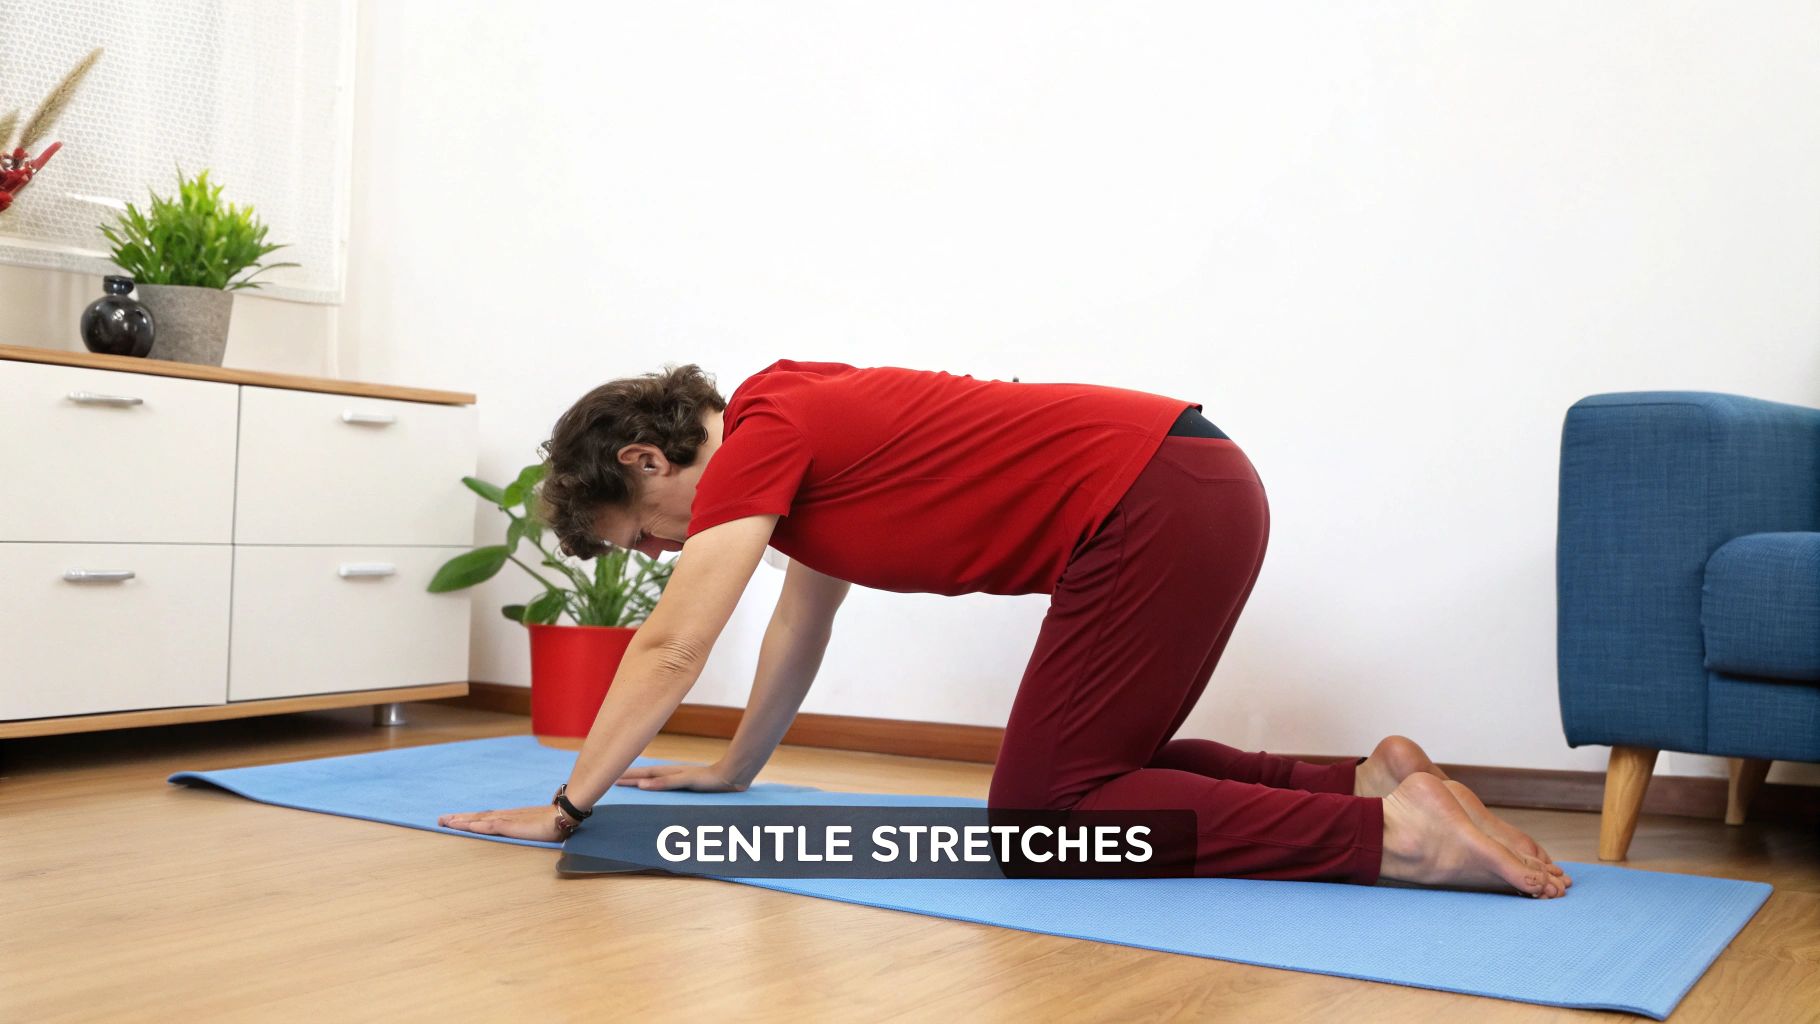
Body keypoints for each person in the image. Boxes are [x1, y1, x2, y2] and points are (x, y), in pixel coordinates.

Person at [440, 359, 1571, 898]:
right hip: (1180, 488)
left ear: (648, 457)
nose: (656, 556)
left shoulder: (758, 436)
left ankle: (1394, 843)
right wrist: (739, 768)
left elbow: (675, 643)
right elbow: (802, 618)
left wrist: (567, 804)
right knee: (1083, 772)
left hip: (1156, 499)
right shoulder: (785, 443)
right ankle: (1357, 787)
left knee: (1038, 811)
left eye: (638, 533)